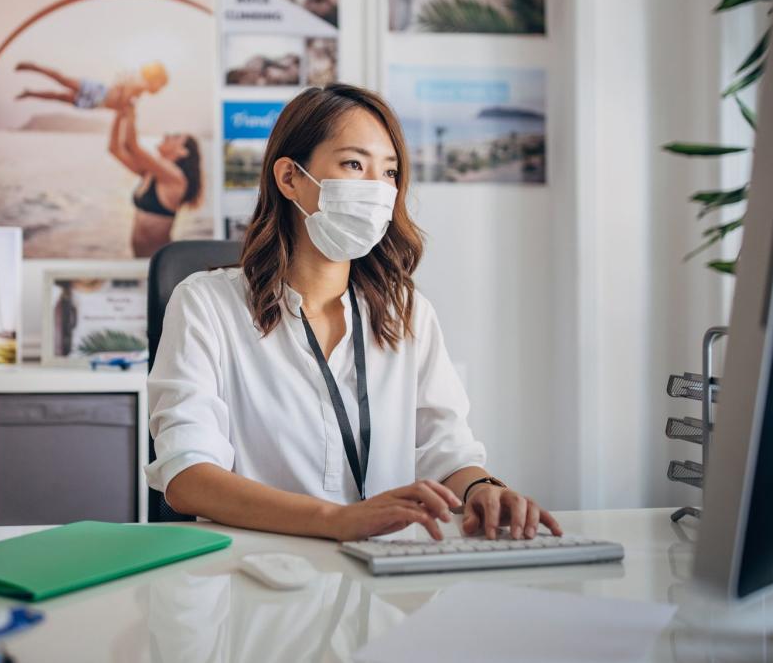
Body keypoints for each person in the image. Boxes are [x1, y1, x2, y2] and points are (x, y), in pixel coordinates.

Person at [147, 84, 561, 543]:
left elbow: (444, 446)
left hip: (386, 580)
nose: (378, 189)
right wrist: (334, 521)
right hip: (259, 578)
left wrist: (481, 487)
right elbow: (187, 476)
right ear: (289, 178)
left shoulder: (407, 311)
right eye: (353, 164)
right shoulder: (206, 304)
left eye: (389, 172)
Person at [106, 105, 202, 258]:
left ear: (182, 152)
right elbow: (114, 149)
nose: (167, 135)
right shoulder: (150, 173)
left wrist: (130, 112)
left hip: (160, 266)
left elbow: (131, 146)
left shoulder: (175, 178)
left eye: (175, 136)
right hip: (140, 261)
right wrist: (120, 113)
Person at [14, 60, 167, 112]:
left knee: (58, 97)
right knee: (63, 80)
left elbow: (118, 105)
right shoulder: (139, 83)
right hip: (99, 91)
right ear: (155, 80)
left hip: (96, 103)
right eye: (160, 85)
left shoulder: (138, 96)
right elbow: (121, 86)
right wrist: (125, 103)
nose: (159, 89)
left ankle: (30, 93)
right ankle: (34, 67)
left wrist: (125, 106)